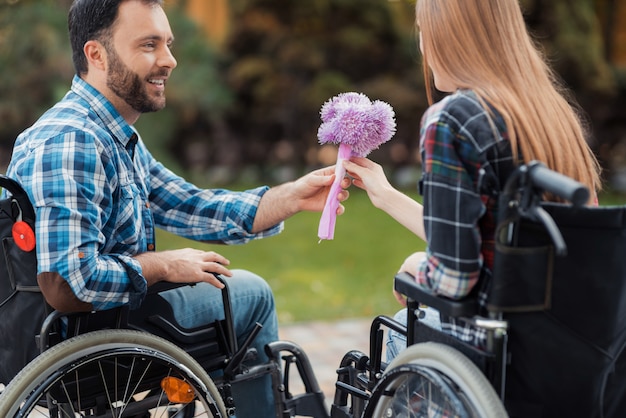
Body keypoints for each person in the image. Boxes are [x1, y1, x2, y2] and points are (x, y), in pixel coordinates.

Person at [4, 0, 349, 416]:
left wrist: (289, 198)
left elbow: (189, 205)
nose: (169, 60)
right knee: (251, 295)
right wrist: (162, 266)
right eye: (149, 45)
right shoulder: (73, 140)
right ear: (96, 54)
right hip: (88, 337)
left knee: (225, 292)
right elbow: (70, 280)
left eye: (167, 43)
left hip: (100, 326)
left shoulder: (111, 133)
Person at [343, 0, 602, 359]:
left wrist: (417, 268)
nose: (421, 46)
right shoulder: (552, 114)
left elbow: (454, 280)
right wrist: (386, 195)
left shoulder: (452, 119)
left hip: (494, 349)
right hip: (561, 344)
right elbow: (501, 244)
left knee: (400, 326)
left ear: (448, 34)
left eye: (422, 31)